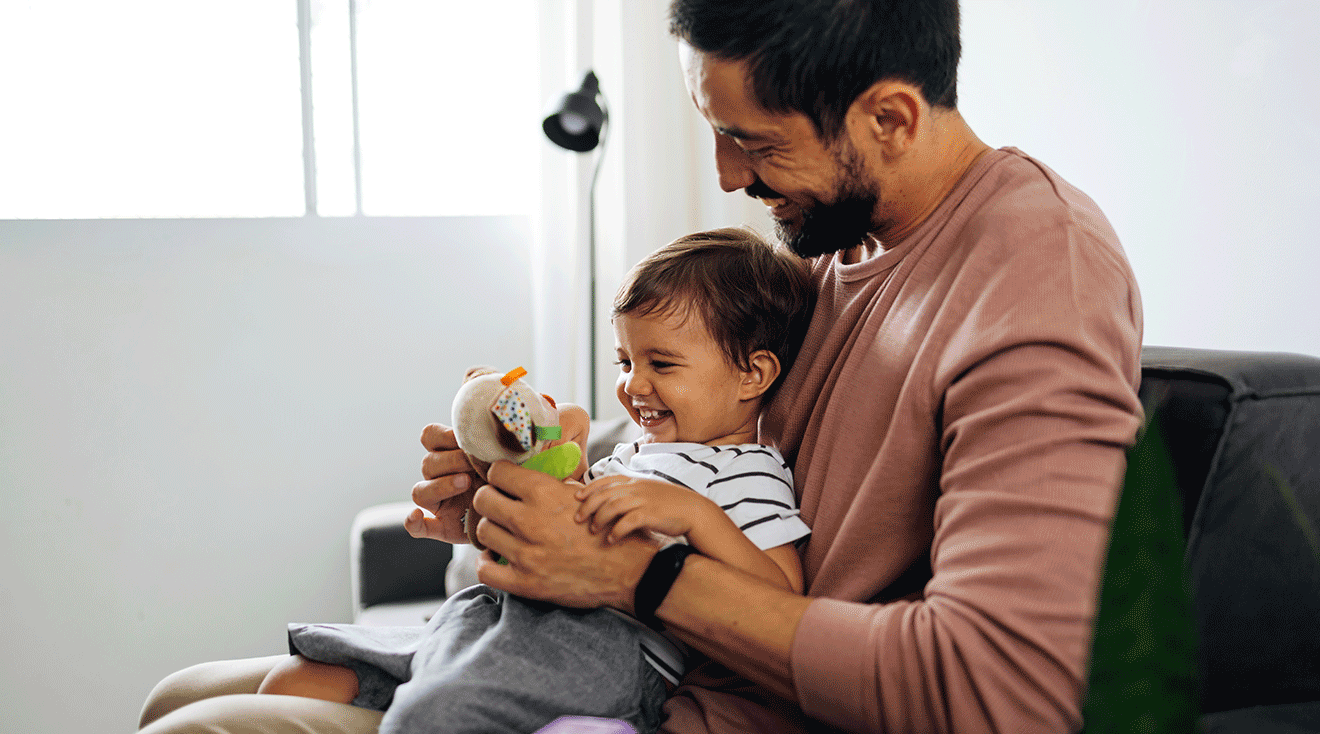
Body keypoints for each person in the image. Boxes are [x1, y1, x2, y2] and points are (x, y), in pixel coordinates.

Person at [140, 1, 1144, 732]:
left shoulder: (1034, 278)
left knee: (206, 730)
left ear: (888, 117)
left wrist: (640, 575)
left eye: (751, 140)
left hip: (687, 699)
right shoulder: (835, 248)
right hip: (616, 654)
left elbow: (1000, 690)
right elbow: (695, 456)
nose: (728, 177)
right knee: (176, 691)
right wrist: (527, 504)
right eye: (716, 133)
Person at [139, 228, 816, 733]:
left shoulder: (746, 472)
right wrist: (502, 482)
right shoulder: (637, 452)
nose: (633, 386)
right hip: (500, 617)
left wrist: (693, 518)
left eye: (660, 364)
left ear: (753, 374)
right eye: (624, 359)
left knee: (433, 716)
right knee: (299, 677)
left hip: (602, 649)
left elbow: (781, 596)